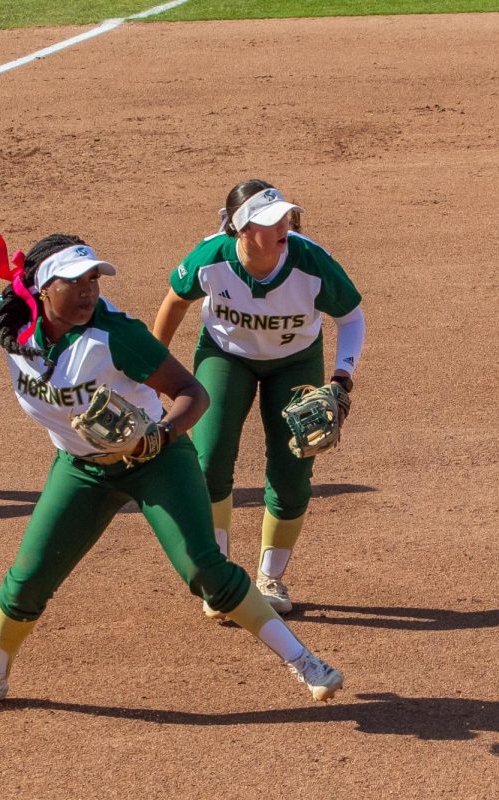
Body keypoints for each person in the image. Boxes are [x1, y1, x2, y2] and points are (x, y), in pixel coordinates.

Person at [0, 233, 343, 714]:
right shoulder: (10, 318)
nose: (87, 291)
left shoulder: (115, 335)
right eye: (73, 282)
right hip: (81, 469)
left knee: (206, 571)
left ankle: (306, 663)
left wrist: (158, 435)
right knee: (28, 579)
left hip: (155, 462)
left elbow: (191, 393)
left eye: (93, 280)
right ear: (41, 288)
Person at [152, 180, 364, 616]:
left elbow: (352, 318)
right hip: (226, 356)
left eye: (285, 215)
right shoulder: (212, 257)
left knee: (293, 472)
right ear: (242, 229)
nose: (285, 225)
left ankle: (271, 579)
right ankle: (219, 577)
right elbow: (175, 300)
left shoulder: (311, 261)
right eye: (271, 221)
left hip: (296, 362)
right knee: (209, 462)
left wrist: (342, 379)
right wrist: (151, 372)